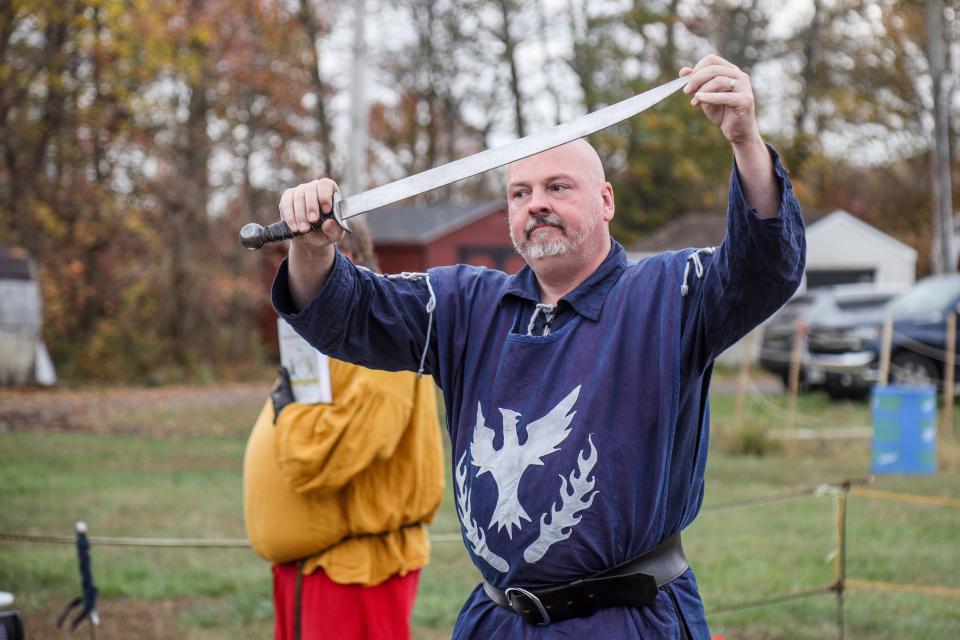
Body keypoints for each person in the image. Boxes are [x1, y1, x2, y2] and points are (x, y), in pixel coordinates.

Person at [269, 55, 805, 638]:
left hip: (625, 622)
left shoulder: (665, 295)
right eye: (519, 193)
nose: (536, 204)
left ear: (605, 201)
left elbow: (763, 269)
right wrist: (312, 246)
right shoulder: (467, 306)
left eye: (557, 187)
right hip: (498, 620)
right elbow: (346, 314)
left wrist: (746, 141)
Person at [243, 220, 445, 640]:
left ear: (337, 262)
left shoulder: (377, 339)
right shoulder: (330, 339)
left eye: (299, 264)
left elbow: (323, 458)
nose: (292, 282)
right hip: (315, 566)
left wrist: (291, 412)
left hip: (358, 572)